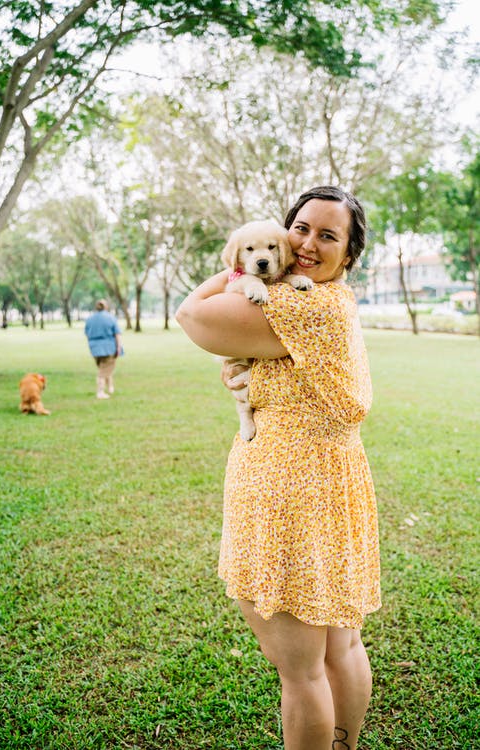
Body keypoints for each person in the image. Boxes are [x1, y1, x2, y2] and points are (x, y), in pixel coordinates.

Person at [175, 186, 381, 750]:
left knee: (302, 670)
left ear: (349, 254)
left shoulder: (299, 303)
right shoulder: (337, 301)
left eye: (328, 235)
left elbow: (192, 314)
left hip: (289, 490)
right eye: (301, 228)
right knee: (340, 645)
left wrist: (233, 267)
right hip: (332, 482)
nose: (309, 244)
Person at [84, 299, 122, 399]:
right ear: (106, 307)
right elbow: (117, 334)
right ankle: (100, 392)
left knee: (104, 368)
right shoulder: (111, 318)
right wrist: (118, 347)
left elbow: (87, 334)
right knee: (104, 371)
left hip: (95, 348)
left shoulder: (90, 319)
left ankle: (110, 387)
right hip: (108, 347)